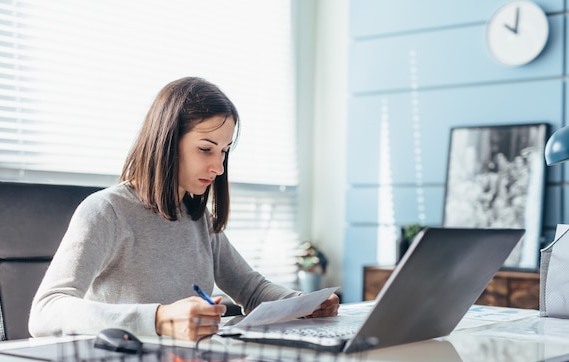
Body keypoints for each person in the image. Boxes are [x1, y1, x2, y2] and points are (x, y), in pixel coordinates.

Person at [28, 76, 339, 341]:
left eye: (224, 151)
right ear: (166, 141)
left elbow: (252, 290)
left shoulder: (197, 218)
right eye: (205, 148)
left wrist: (302, 304)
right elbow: (46, 312)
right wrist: (160, 319)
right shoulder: (105, 212)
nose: (218, 166)